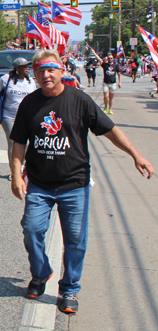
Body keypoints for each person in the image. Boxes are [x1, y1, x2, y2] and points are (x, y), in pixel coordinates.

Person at [9, 49, 154, 314]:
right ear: (35, 73)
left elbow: (110, 130)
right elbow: (19, 142)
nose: (46, 75)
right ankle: (41, 273)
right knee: (31, 229)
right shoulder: (29, 104)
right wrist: (16, 175)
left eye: (51, 69)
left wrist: (136, 154)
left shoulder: (80, 100)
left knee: (75, 239)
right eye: (40, 70)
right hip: (39, 185)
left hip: (74, 185)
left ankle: (70, 289)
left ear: (62, 71)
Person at [0, 58, 36, 179]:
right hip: (9, 116)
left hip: (27, 117)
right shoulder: (7, 78)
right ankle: (14, 171)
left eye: (28, 66)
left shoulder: (31, 80)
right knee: (13, 142)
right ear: (17, 68)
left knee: (26, 144)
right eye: (24, 66)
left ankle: (23, 167)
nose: (27, 68)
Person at [91, 50, 121, 115]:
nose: (110, 59)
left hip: (113, 83)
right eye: (109, 58)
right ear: (107, 59)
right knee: (106, 96)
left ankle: (110, 109)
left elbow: (119, 74)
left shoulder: (116, 66)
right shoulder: (105, 65)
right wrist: (94, 53)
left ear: (113, 59)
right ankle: (105, 106)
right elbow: (99, 59)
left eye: (111, 58)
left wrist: (120, 82)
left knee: (111, 97)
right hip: (106, 83)